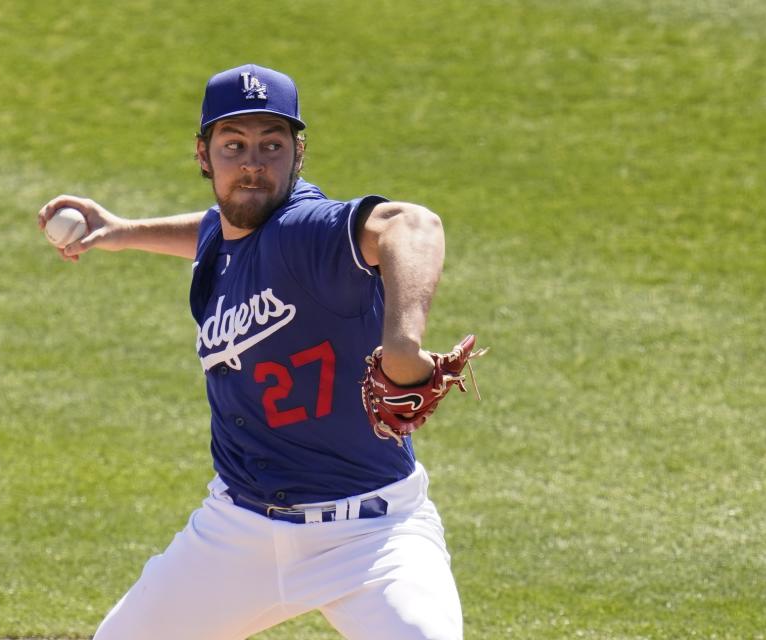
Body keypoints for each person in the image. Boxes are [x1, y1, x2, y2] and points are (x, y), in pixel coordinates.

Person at [38, 63, 465, 640]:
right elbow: (216, 229)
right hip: (236, 533)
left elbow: (412, 223)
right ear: (203, 155)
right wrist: (121, 230)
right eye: (233, 145)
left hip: (372, 538)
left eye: (272, 145)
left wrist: (402, 342)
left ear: (298, 154)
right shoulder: (230, 230)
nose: (253, 164)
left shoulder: (308, 230)